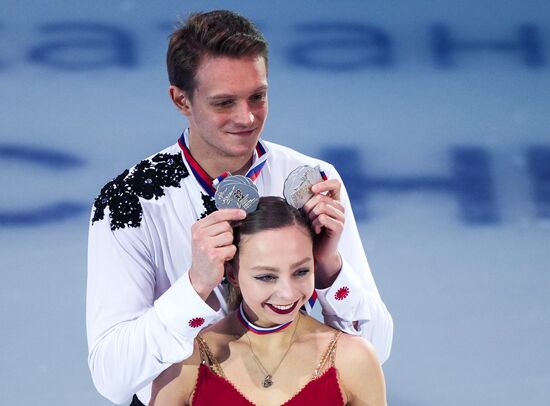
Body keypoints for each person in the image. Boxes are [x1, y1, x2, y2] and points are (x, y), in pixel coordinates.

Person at [87, 10, 392, 405]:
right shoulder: (130, 201)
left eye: (258, 97)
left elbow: (375, 352)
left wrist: (329, 268)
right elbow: (112, 378)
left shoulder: (312, 178)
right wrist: (194, 289)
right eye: (224, 102)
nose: (246, 117)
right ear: (181, 99)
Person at [150, 197, 387, 406]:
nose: (287, 293)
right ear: (232, 274)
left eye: (301, 272)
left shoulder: (353, 358)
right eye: (266, 276)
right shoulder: (185, 360)